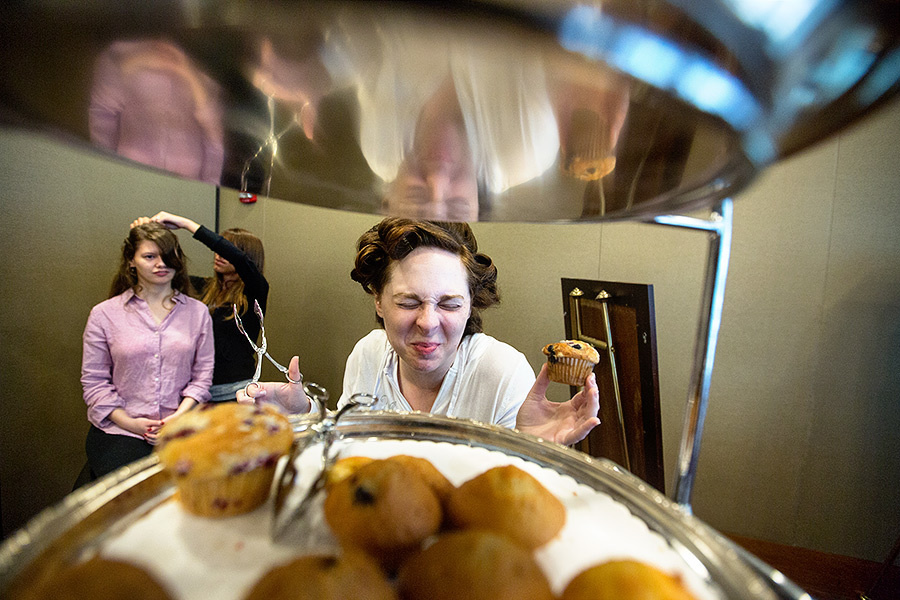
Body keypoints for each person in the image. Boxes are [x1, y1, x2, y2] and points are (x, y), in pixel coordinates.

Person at [238, 218, 599, 446]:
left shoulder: (501, 372)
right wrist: (306, 416)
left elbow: (513, 508)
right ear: (378, 301)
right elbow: (350, 452)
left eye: (449, 304)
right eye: (409, 302)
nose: (428, 322)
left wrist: (532, 450)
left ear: (471, 304)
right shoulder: (367, 354)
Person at [81, 222, 214, 478]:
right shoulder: (104, 314)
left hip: (182, 428)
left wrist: (178, 416)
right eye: (149, 256)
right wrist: (129, 422)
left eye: (167, 256)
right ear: (131, 261)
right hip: (120, 431)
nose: (161, 264)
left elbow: (202, 376)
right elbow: (94, 381)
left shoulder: (197, 313)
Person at [131, 212, 268, 403]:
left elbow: (241, 261)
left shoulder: (254, 292)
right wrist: (148, 234)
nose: (219, 255)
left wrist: (187, 224)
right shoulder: (201, 288)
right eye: (218, 249)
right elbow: (161, 270)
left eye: (227, 250)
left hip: (236, 392)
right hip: (196, 391)